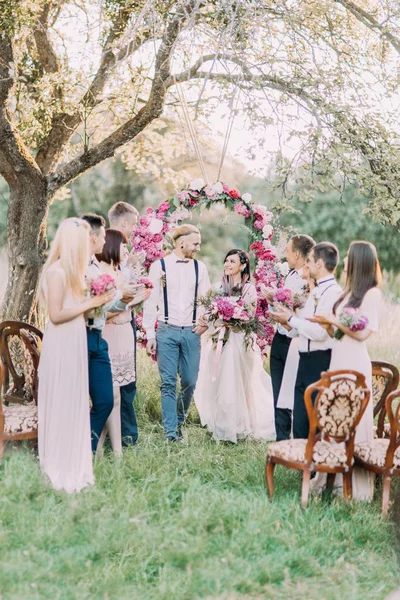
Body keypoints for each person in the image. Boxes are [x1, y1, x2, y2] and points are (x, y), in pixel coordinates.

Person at [37, 218, 114, 493]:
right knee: (62, 401)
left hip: (76, 340)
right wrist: (92, 302)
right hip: (61, 343)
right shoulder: (56, 272)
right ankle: (58, 464)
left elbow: (78, 309)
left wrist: (100, 302)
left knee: (75, 402)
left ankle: (74, 461)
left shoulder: (73, 274)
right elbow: (57, 315)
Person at [309, 241, 382, 500]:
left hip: (354, 361)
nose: (346, 261)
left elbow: (362, 334)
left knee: (350, 417)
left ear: (359, 261)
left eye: (349, 257)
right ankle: (329, 475)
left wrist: (333, 320)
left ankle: (352, 484)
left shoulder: (371, 294)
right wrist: (326, 324)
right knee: (333, 414)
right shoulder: (349, 291)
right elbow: (339, 331)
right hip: (338, 356)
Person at [194, 249, 276, 443]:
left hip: (240, 341)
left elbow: (250, 316)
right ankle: (222, 424)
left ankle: (243, 424)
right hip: (220, 340)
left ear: (243, 265)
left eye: (232, 261)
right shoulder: (218, 287)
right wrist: (216, 318)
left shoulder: (249, 289)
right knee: (220, 381)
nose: (227, 264)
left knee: (240, 382)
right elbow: (209, 312)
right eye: (226, 260)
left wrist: (235, 318)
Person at [143, 224, 211, 441]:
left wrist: (205, 321)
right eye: (196, 243)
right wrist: (150, 335)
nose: (198, 248)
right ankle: (171, 432)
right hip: (166, 331)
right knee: (168, 382)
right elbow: (150, 302)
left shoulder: (200, 267)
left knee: (190, 380)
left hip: (192, 331)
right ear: (182, 243)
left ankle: (179, 418)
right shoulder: (159, 266)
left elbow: (206, 301)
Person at [271, 242, 342, 439]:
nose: (306, 265)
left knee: (313, 418)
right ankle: (303, 463)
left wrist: (291, 320)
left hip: (319, 361)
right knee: (301, 418)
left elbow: (321, 332)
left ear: (319, 263)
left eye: (309, 261)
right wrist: (288, 325)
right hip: (304, 358)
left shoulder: (333, 293)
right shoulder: (317, 291)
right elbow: (305, 325)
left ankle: (314, 466)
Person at [82, 213, 137, 452]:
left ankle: (93, 449)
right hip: (90, 336)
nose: (105, 242)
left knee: (107, 400)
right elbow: (90, 309)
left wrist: (127, 301)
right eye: (102, 237)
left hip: (100, 337)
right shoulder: (87, 269)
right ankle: (89, 450)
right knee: (104, 399)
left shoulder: (98, 267)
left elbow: (104, 307)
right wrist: (121, 297)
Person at [95, 229, 150, 456]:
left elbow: (124, 306)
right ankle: (101, 448)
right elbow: (101, 313)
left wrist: (136, 299)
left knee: (116, 395)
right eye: (123, 246)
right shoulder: (101, 277)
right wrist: (128, 303)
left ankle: (111, 450)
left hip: (125, 334)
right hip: (109, 335)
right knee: (110, 396)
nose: (126, 251)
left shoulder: (121, 274)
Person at [261, 235, 315, 440]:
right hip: (280, 337)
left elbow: (301, 312)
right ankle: (281, 439)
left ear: (297, 254)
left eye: (287, 251)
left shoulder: (308, 279)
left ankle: (299, 438)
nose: (284, 254)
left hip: (296, 340)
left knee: (295, 391)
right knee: (278, 390)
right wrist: (272, 298)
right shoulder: (291, 275)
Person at [108, 201, 143, 446]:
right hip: (110, 323)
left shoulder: (122, 250)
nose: (134, 228)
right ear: (123, 222)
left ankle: (127, 433)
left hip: (124, 320)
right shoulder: (108, 248)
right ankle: (123, 434)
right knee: (115, 383)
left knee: (127, 380)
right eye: (133, 223)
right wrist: (129, 268)